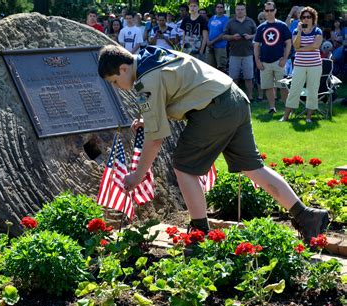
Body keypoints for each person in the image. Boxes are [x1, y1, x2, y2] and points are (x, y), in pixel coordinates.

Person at [97, 44, 329, 244]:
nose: (118, 87)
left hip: (213, 108)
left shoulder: (145, 80)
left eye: (116, 81)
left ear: (124, 68)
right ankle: (306, 215)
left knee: (183, 166)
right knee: (253, 167)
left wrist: (138, 175)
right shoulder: (152, 56)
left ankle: (200, 232)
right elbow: (178, 89)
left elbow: (155, 139)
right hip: (234, 98)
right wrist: (149, 120)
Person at [280, 7, 323, 123]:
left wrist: (301, 49)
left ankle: (308, 117)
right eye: (304, 17)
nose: (306, 19)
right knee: (294, 90)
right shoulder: (296, 31)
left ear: (313, 18)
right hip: (299, 65)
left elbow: (315, 46)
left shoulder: (317, 30)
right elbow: (295, 45)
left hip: (315, 65)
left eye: (309, 17)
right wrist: (299, 31)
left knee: (312, 91)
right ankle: (286, 117)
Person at [254, 2, 292, 114]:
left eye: (271, 10)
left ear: (275, 11)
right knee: (268, 86)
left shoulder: (282, 26)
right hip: (264, 62)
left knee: (283, 86)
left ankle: (287, 109)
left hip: (279, 61)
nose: (269, 12)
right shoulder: (261, 27)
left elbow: (288, 43)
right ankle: (272, 108)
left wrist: (285, 58)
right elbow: (256, 45)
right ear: (264, 11)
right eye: (267, 10)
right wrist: (257, 61)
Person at [223, 2, 257, 101]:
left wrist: (250, 36)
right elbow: (224, 36)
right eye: (238, 9)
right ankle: (234, 98)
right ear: (235, 10)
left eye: (242, 9)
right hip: (234, 54)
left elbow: (258, 34)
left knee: (249, 77)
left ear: (245, 10)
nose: (240, 11)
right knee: (234, 77)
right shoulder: (230, 22)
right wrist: (232, 37)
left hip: (248, 54)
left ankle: (250, 97)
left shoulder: (250, 21)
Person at [207, 2, 229, 72]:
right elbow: (207, 30)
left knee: (221, 68)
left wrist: (212, 42)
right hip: (210, 46)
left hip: (220, 47)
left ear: (223, 9)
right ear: (215, 9)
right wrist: (208, 42)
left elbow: (224, 34)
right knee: (210, 68)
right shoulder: (212, 18)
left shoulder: (226, 19)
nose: (219, 9)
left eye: (221, 7)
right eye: (218, 7)